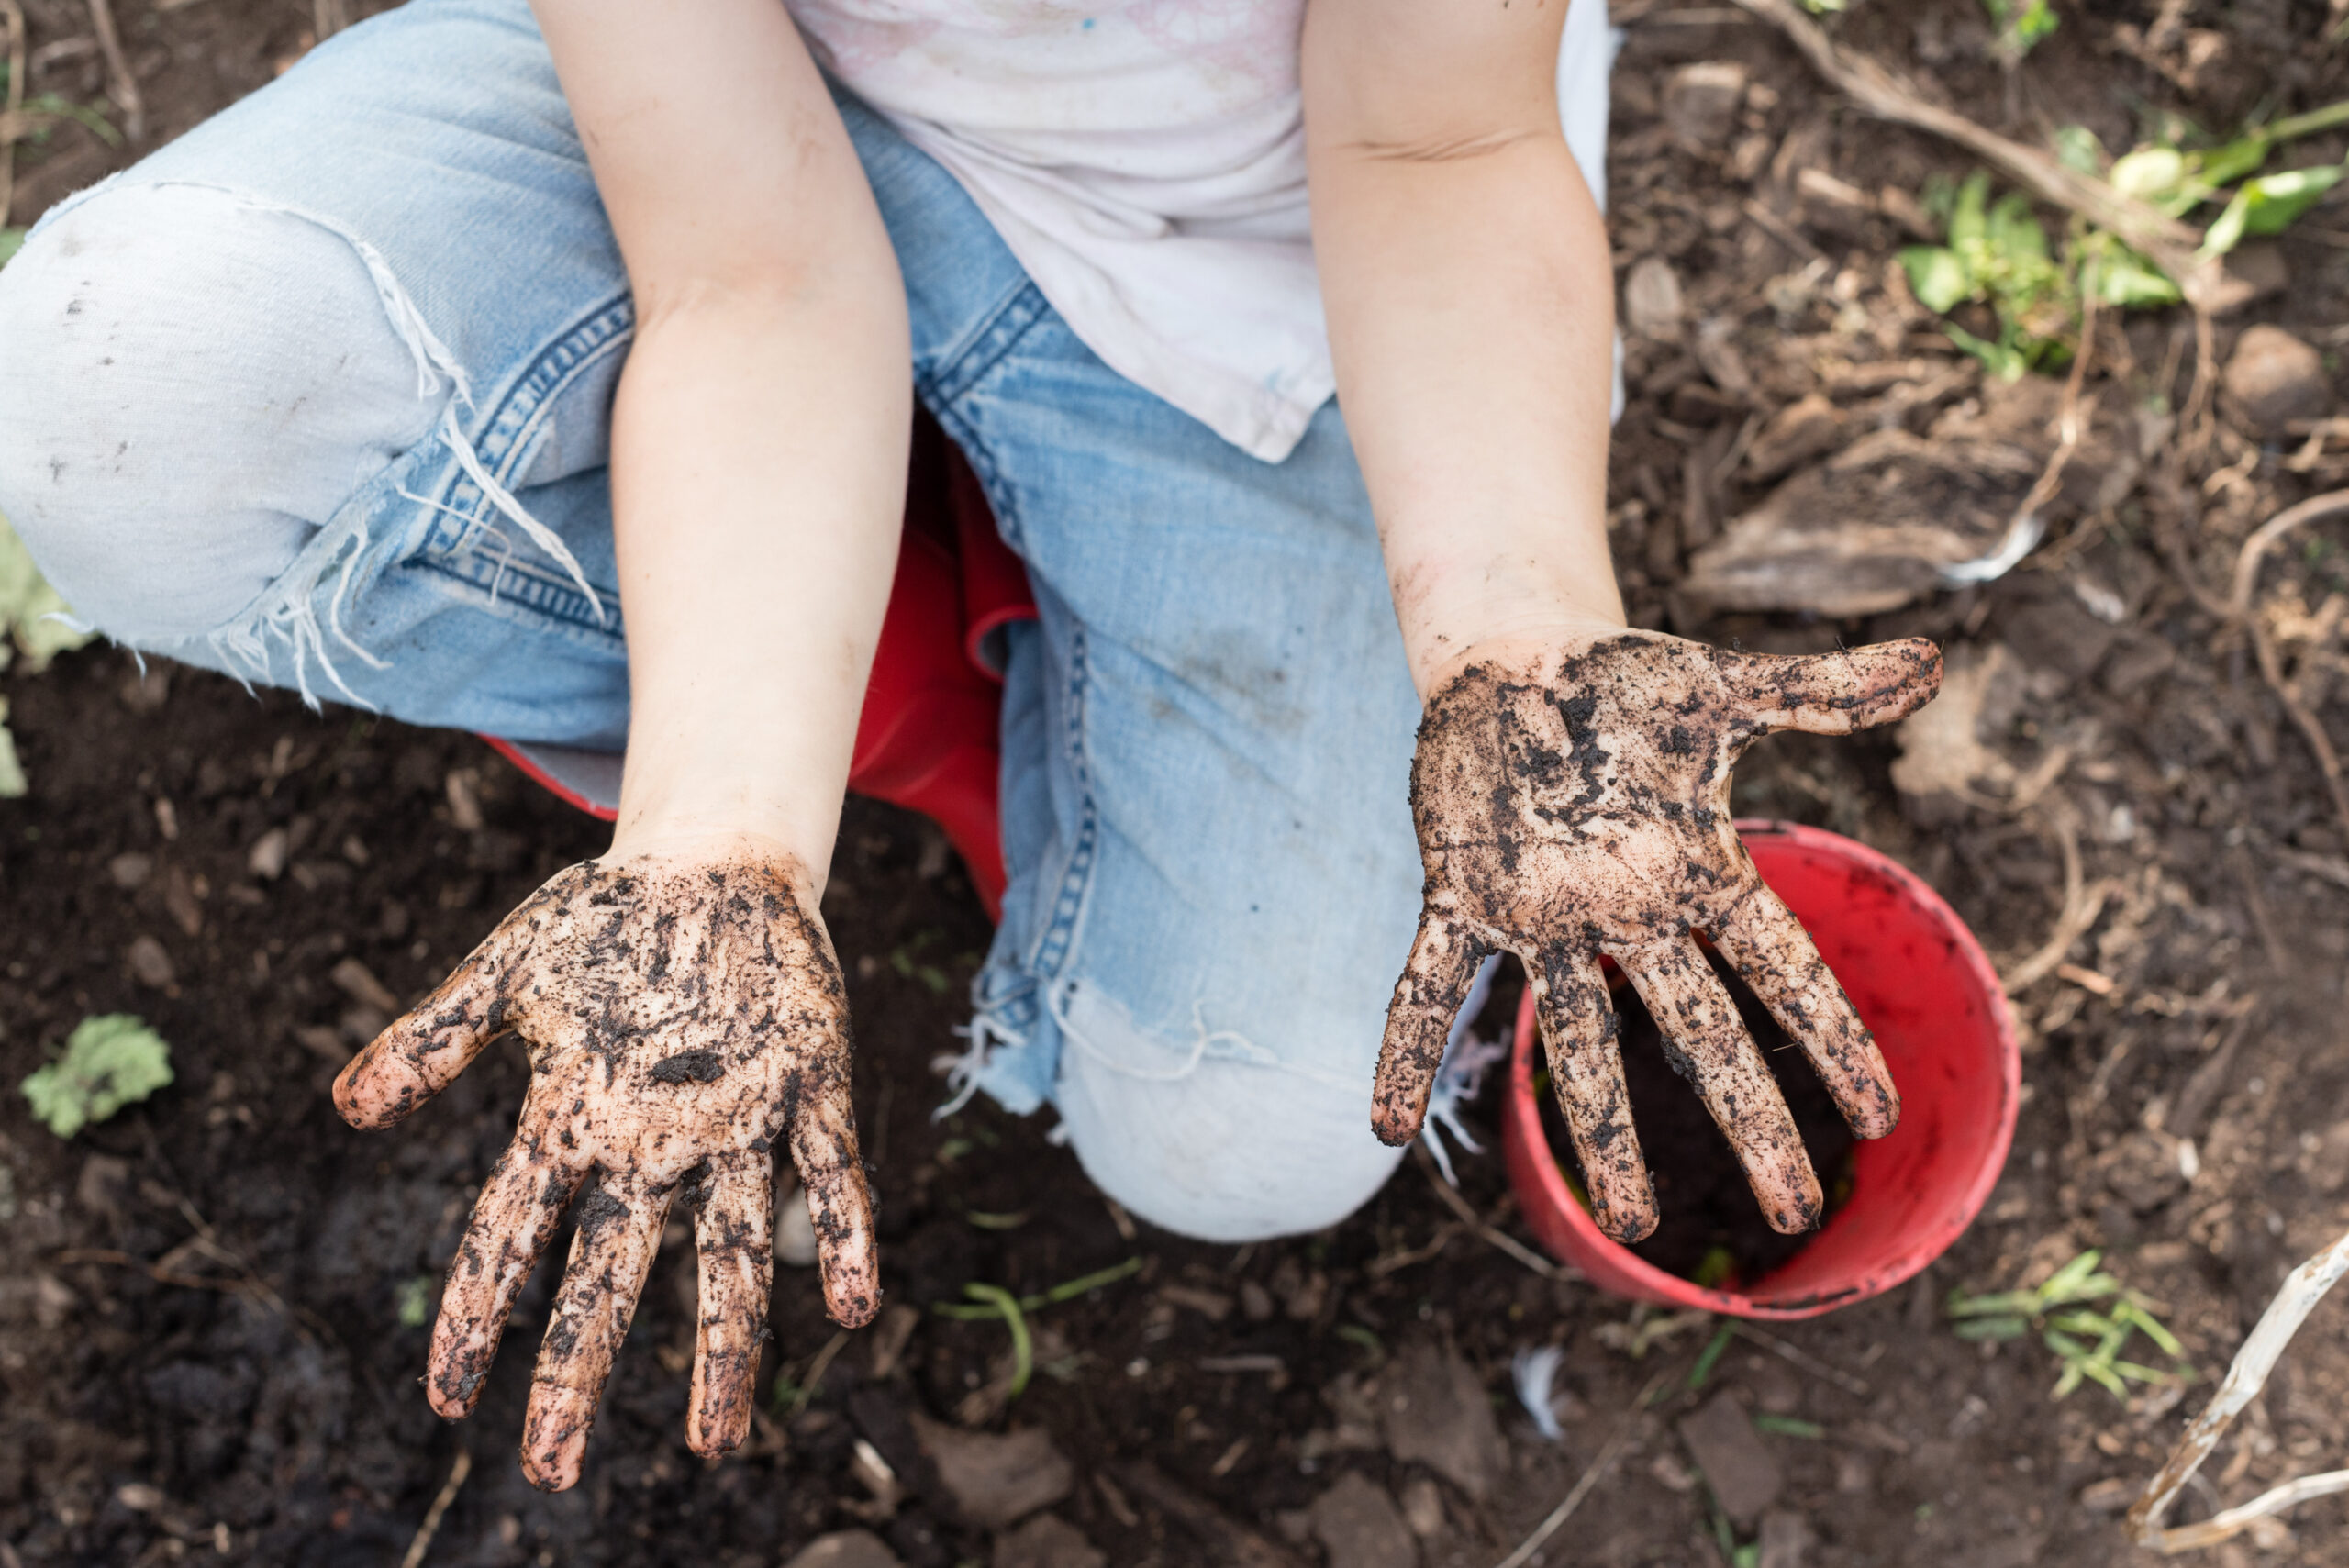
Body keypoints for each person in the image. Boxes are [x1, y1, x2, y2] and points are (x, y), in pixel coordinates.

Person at [0, 0, 1940, 1491]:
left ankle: (991, 613)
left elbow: (1433, 139)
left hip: (1272, 260)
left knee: (1234, 1135)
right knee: (142, 395)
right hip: (764, 143)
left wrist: (1511, 641)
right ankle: (916, 710)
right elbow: (748, 275)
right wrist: (715, 852)